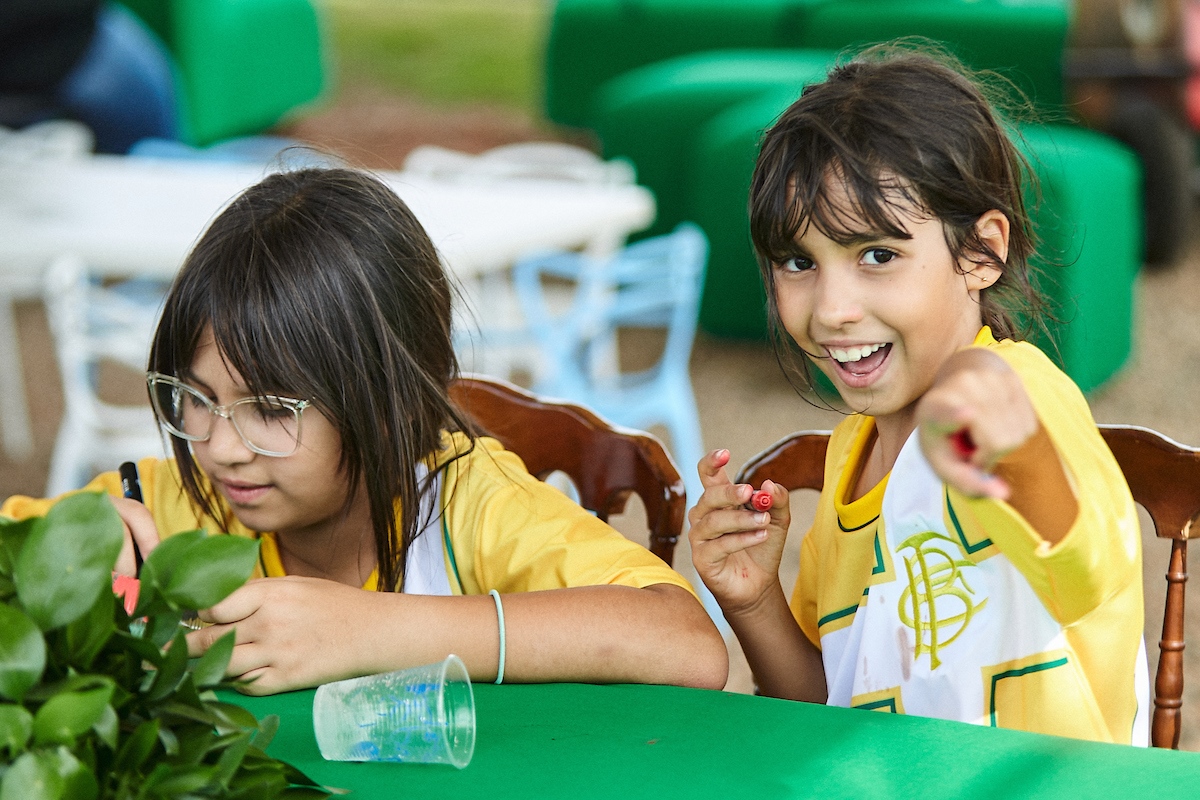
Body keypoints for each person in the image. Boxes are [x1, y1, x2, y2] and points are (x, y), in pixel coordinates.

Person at [2, 167, 728, 695]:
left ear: (392, 406)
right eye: (192, 398)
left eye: (273, 410)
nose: (218, 446)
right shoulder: (159, 511)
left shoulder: (464, 504)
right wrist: (58, 568)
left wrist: (369, 630)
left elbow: (685, 644)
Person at [687, 45, 1149, 745]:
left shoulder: (1019, 394)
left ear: (981, 254)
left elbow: (1086, 578)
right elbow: (829, 704)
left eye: (878, 255)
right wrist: (753, 600)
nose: (833, 307)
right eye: (799, 262)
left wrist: (1016, 452)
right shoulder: (850, 454)